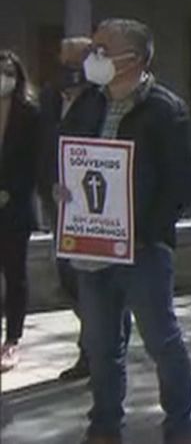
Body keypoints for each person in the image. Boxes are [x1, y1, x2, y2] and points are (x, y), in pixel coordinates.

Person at [56, 19, 191, 444]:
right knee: (101, 346)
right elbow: (66, 155)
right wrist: (62, 188)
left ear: (131, 59)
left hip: (143, 250)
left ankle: (178, 426)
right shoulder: (87, 104)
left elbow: (181, 186)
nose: (92, 56)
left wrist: (141, 230)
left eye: (101, 49)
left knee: (162, 341)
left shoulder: (166, 110)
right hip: (92, 249)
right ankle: (104, 425)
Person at [36, 37, 104, 381]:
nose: (67, 68)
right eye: (63, 60)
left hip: (90, 207)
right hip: (57, 203)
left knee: (92, 280)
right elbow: (42, 145)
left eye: (74, 60)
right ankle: (92, 345)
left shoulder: (100, 100)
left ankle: (97, 352)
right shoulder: (49, 97)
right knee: (68, 280)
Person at [0, 51, 40, 373]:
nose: (3, 77)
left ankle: (12, 340)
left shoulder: (29, 114)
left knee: (15, 274)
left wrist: (11, 192)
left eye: (8, 71)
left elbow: (34, 163)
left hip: (15, 206)